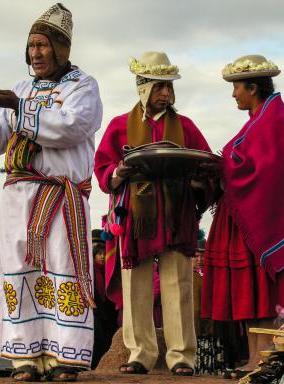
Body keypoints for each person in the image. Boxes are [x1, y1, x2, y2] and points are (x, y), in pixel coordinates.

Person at [0, 4, 102, 381]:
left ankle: (63, 357)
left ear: (61, 48)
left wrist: (15, 106)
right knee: (20, 270)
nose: (36, 53)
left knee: (61, 268)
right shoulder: (22, 88)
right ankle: (26, 356)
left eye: (42, 45)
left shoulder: (82, 86)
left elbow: (70, 127)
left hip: (59, 198)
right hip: (17, 196)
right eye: (31, 46)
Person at [201, 55, 284, 377]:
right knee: (252, 294)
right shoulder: (259, 119)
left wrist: (223, 165)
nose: (233, 95)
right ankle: (255, 357)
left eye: (236, 88)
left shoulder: (272, 120)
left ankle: (264, 359)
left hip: (260, 222)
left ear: (253, 88)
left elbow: (267, 169)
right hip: (245, 217)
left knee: (263, 292)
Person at [94, 51, 213, 376]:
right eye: (160, 87)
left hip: (177, 213)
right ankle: (141, 353)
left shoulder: (186, 127)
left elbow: (205, 162)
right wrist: (119, 171)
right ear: (143, 87)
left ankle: (181, 356)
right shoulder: (120, 126)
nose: (166, 94)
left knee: (179, 284)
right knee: (137, 285)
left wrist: (201, 179)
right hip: (137, 216)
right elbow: (103, 167)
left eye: (169, 87)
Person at [90, 230, 117, 369]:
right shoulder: (89, 271)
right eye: (99, 253)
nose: (102, 257)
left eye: (104, 253)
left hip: (109, 312)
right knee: (97, 339)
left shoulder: (111, 270)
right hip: (94, 311)